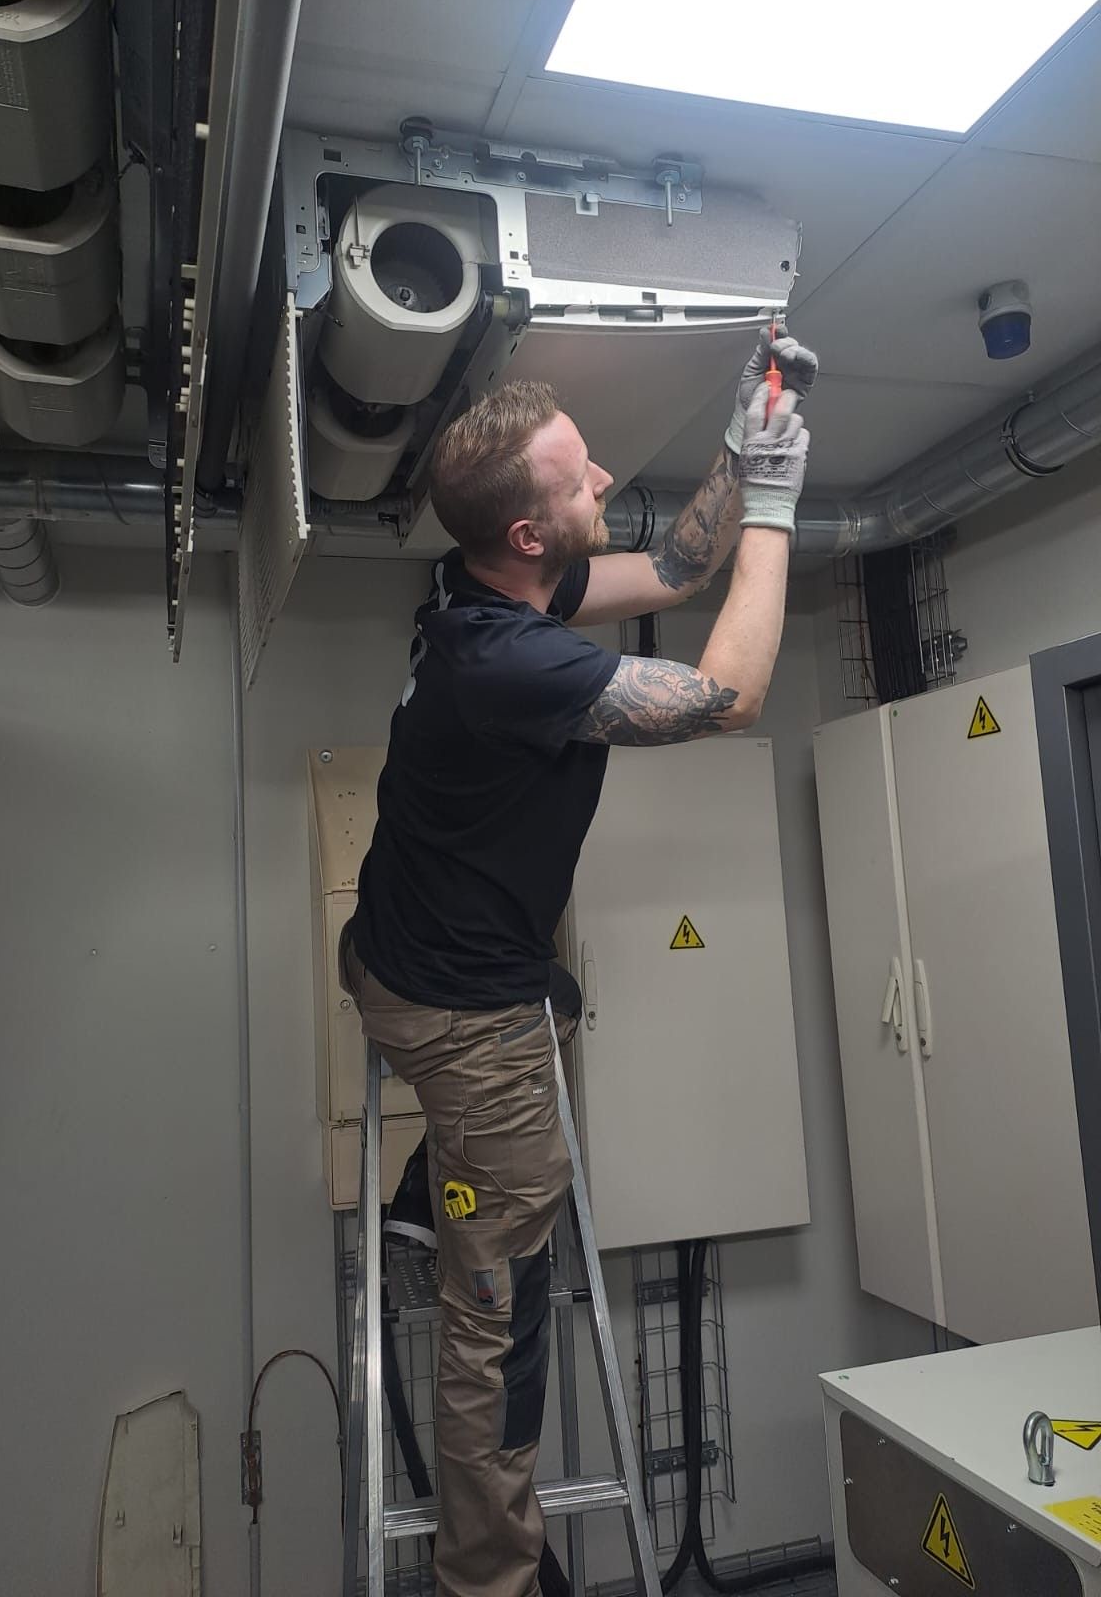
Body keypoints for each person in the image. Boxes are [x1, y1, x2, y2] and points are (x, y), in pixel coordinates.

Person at [339, 327, 819, 1597]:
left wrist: (741, 438)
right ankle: (489, 1572)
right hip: (460, 1011)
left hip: (397, 950)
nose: (604, 473)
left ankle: (434, 1189)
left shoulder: (479, 587)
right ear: (533, 539)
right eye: (578, 474)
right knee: (497, 1306)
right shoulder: (514, 665)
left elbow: (672, 562)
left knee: (501, 1132)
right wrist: (775, 497)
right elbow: (731, 694)